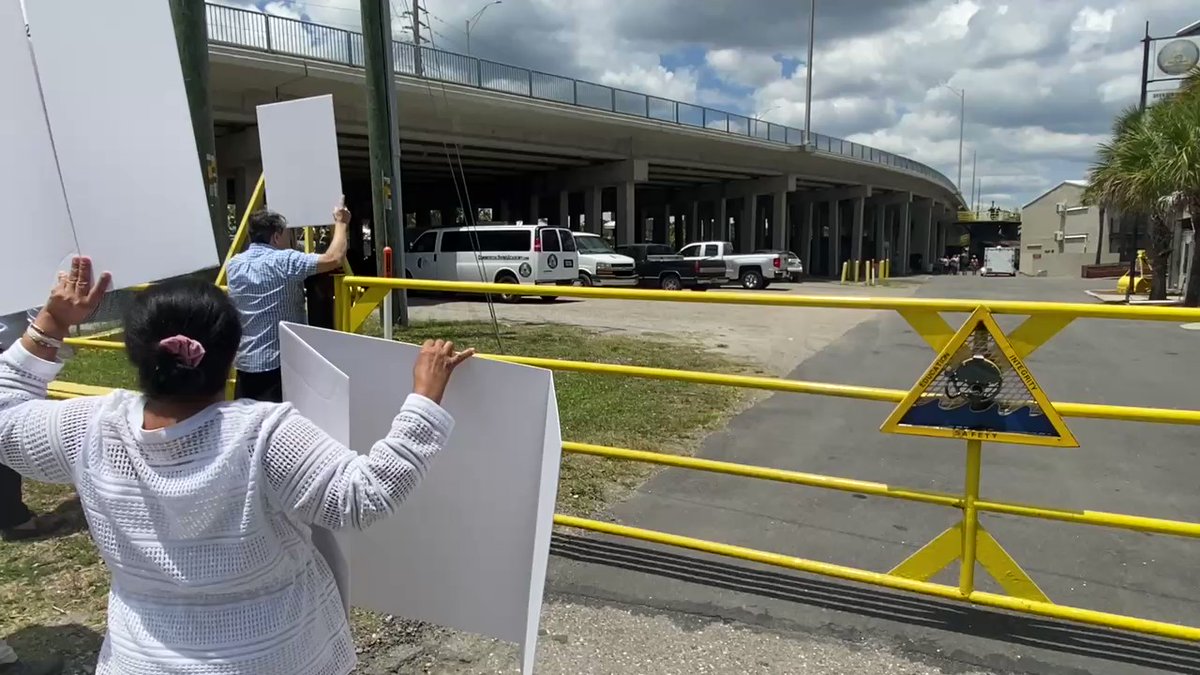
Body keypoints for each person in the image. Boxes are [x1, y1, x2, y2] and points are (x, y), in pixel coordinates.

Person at [0, 257, 473, 675]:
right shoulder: (263, 435)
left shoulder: (90, 427)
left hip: (141, 659)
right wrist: (424, 399)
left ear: (137, 355)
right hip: (279, 655)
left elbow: (5, 419)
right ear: (232, 353)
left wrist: (50, 323)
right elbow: (363, 496)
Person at [226, 199, 349, 402]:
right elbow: (333, 258)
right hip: (279, 366)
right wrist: (341, 222)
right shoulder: (285, 261)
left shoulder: (234, 265)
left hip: (246, 364)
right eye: (288, 234)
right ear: (276, 237)